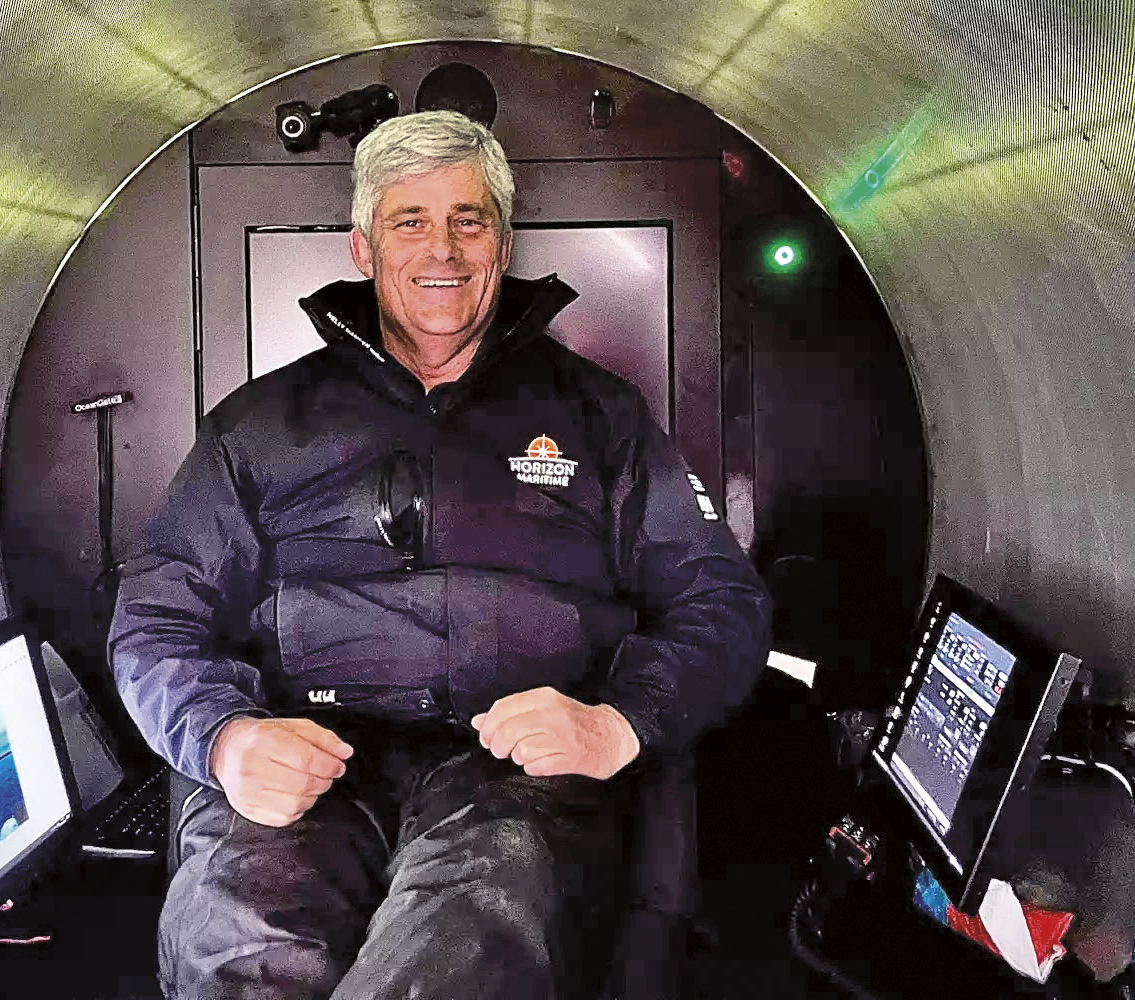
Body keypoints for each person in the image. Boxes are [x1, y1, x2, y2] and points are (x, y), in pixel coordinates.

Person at [108, 110, 771, 1000]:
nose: (443, 249)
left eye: (469, 220)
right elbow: (154, 620)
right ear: (363, 247)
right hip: (304, 754)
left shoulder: (600, 416)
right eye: (409, 221)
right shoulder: (256, 426)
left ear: (503, 243)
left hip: (515, 781)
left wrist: (617, 724)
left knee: (465, 946)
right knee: (240, 945)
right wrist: (225, 740)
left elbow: (722, 602)